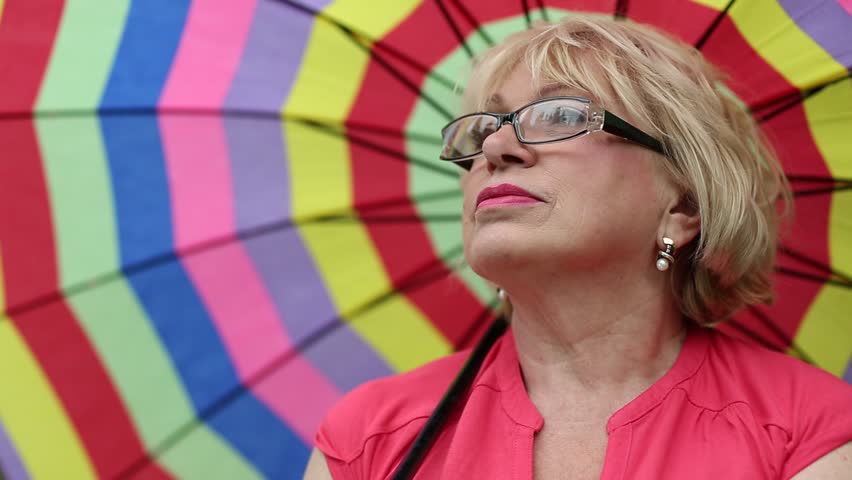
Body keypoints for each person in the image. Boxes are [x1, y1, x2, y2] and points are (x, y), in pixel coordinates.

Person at [304, 16, 852, 479]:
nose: (495, 147)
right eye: (485, 127)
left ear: (683, 206)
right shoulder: (371, 439)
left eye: (561, 116)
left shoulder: (804, 432)